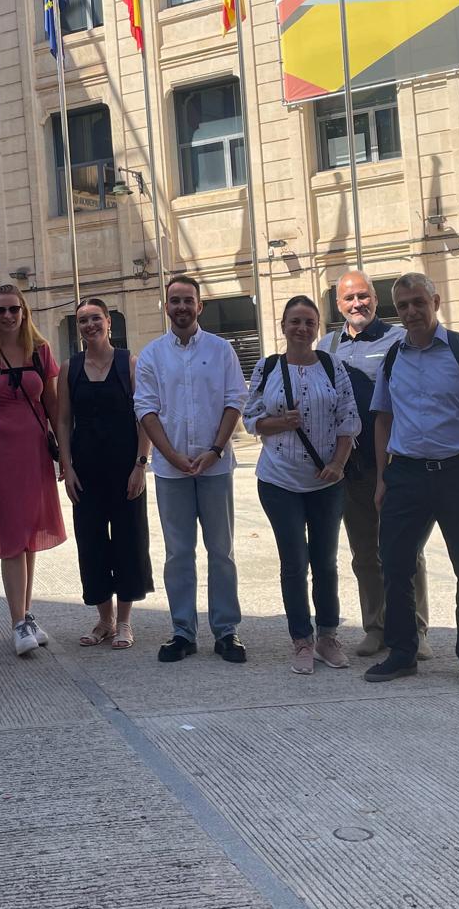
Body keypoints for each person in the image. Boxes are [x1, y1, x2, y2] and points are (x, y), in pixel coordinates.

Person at [365, 272, 459, 689]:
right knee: (395, 565)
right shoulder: (394, 356)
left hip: (458, 473)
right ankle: (402, 653)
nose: (411, 312)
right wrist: (382, 478)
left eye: (418, 303)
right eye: (403, 305)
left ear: (436, 302)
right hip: (406, 474)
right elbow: (382, 419)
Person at [134, 275, 248, 664]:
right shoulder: (152, 355)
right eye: (175, 300)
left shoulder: (221, 350)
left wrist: (215, 450)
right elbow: (145, 408)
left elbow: (235, 399)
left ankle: (226, 631)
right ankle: (183, 631)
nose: (181, 306)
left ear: (200, 306)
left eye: (188, 300)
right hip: (172, 472)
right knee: (178, 553)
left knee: (222, 552)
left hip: (215, 467)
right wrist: (169, 455)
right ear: (165, 306)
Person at [318, 271, 431, 659]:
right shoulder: (328, 346)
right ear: (338, 305)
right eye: (349, 299)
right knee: (364, 553)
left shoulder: (399, 340)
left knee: (406, 550)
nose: (357, 304)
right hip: (353, 469)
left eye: (363, 296)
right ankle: (376, 627)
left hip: (397, 464)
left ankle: (415, 630)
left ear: (375, 298)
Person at [245, 295, 360, 674]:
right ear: (283, 326)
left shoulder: (332, 365)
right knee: (294, 562)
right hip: (279, 481)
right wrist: (282, 422)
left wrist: (338, 464)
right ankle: (301, 640)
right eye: (295, 321)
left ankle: (327, 636)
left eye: (309, 322)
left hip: (326, 482)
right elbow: (250, 418)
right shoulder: (268, 367)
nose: (302, 328)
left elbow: (348, 418)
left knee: (325, 561)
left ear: (317, 328)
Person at [0, 283, 65, 656]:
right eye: (1, 310)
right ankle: (17, 622)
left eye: (14, 309)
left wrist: (65, 456)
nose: (8, 316)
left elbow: (53, 406)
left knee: (28, 535)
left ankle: (25, 614)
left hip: (34, 453)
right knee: (12, 535)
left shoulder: (40, 350)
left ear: (24, 311)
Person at [57, 296, 152, 650]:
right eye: (83, 320)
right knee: (91, 542)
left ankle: (124, 621)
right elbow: (63, 420)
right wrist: (66, 466)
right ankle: (104, 619)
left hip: (125, 467)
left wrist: (140, 465)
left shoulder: (129, 363)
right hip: (85, 469)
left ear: (109, 322)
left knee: (129, 540)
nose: (90, 325)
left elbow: (144, 416)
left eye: (95, 318)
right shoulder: (70, 368)